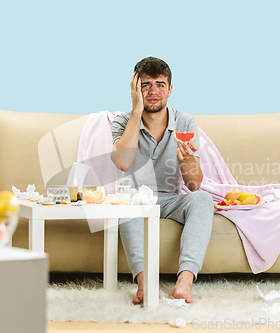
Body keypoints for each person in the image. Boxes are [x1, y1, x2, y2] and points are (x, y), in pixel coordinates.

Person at [110, 56, 213, 304]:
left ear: (170, 89)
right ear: (135, 88)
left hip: (171, 199)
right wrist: (136, 110)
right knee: (127, 202)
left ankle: (184, 283)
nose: (153, 91)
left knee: (202, 199)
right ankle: (145, 285)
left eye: (160, 84)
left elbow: (193, 184)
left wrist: (187, 160)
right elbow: (123, 162)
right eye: (145, 85)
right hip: (135, 199)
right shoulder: (123, 122)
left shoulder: (185, 122)